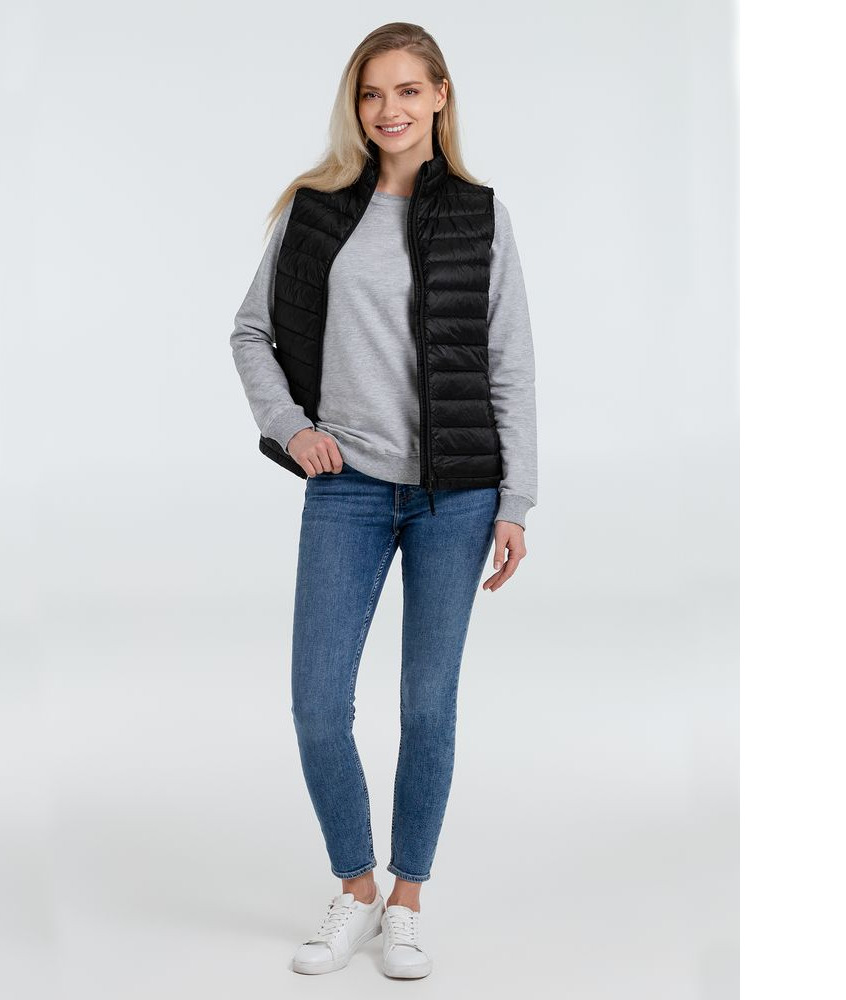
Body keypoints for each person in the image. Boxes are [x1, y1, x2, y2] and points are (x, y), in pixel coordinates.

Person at [229, 21, 537, 980]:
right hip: (349, 487)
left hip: (458, 495)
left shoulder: (481, 216)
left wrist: (516, 501)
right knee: (318, 705)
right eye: (372, 93)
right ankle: (356, 887)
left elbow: (509, 363)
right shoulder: (316, 210)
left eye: (407, 90)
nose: (388, 109)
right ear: (355, 106)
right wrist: (292, 428)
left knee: (427, 708)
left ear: (440, 95)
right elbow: (250, 333)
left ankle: (406, 900)